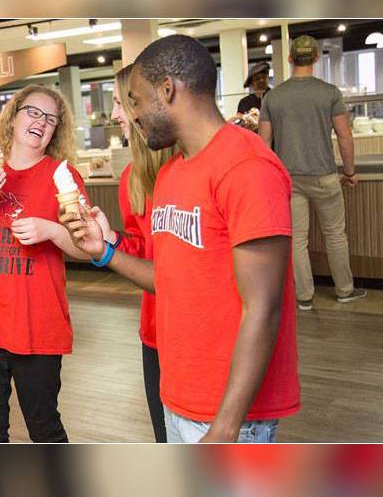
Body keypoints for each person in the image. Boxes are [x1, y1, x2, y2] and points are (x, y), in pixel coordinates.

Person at [61, 35, 300, 443]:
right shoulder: (171, 174)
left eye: (135, 100)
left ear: (167, 90)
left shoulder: (247, 167)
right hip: (178, 396)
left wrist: (225, 428)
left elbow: (264, 308)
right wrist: (103, 251)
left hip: (229, 415)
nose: (132, 115)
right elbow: (168, 279)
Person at [0, 84, 89, 443]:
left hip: (38, 326)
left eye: (51, 119)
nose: (42, 122)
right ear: (12, 117)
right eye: (33, 112)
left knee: (45, 430)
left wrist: (52, 230)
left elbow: (88, 249)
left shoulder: (62, 176)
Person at [258, 34, 366, 311]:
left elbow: (263, 144)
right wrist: (350, 172)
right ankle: (345, 290)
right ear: (316, 58)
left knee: (297, 239)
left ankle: (304, 297)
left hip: (290, 179)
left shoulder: (273, 96)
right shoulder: (329, 92)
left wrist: (268, 181)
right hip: (325, 176)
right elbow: (345, 137)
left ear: (291, 59)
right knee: (335, 235)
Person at [96, 64, 174, 442]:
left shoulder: (188, 170)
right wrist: (110, 240)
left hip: (198, 335)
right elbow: (141, 251)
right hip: (155, 333)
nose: (113, 116)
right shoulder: (131, 179)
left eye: (118, 103)